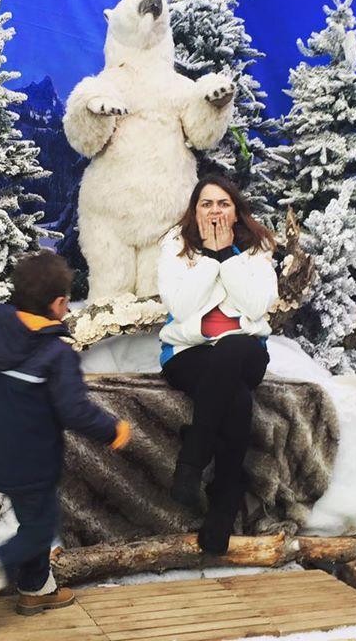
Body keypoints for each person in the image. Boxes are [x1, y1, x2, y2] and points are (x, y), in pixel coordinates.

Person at [0, 250, 131, 636]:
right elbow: (74, 410)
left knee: (34, 520)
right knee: (41, 528)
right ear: (58, 303)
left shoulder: (0, 333)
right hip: (33, 461)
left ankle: (36, 588)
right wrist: (113, 429)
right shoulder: (55, 353)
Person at [157, 174, 278, 554]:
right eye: (206, 204)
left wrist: (228, 255)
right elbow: (181, 308)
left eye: (223, 204)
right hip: (189, 353)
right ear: (195, 211)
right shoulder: (176, 247)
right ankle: (224, 505)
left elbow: (256, 306)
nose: (215, 211)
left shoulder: (256, 249)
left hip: (246, 353)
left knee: (233, 346)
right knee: (237, 400)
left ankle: (191, 459)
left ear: (236, 211)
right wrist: (209, 258)